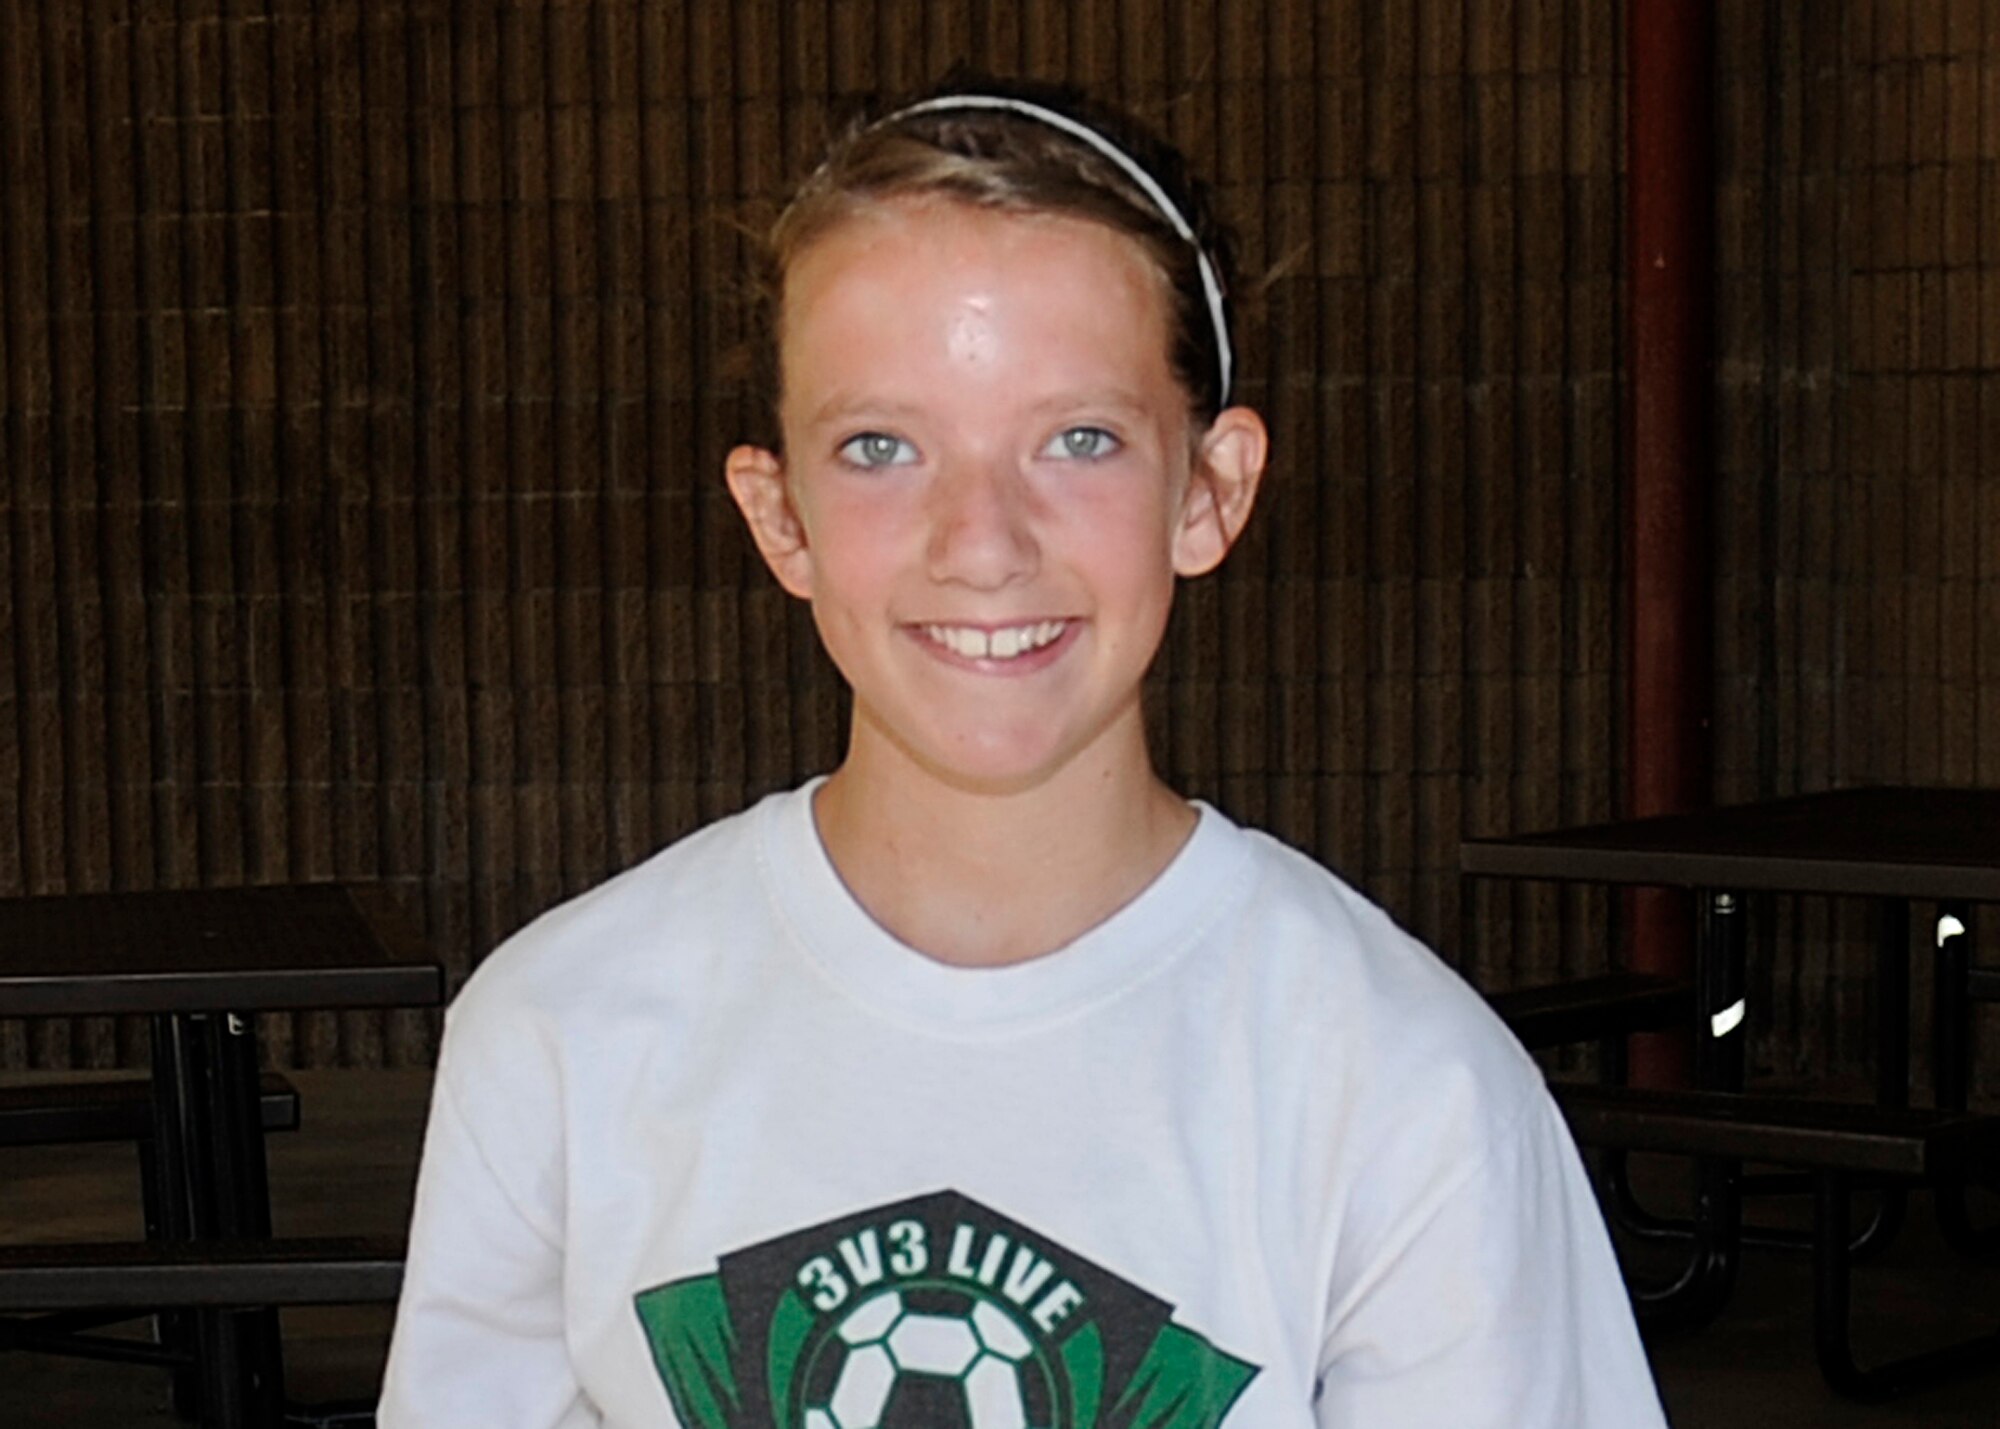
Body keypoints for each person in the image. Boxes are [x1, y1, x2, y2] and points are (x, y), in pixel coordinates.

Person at [379, 77, 1667, 1429]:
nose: (983, 542)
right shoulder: (561, 1035)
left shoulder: (1407, 1092)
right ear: (781, 518)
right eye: (880, 446)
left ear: (1211, 489)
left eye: (1079, 440)